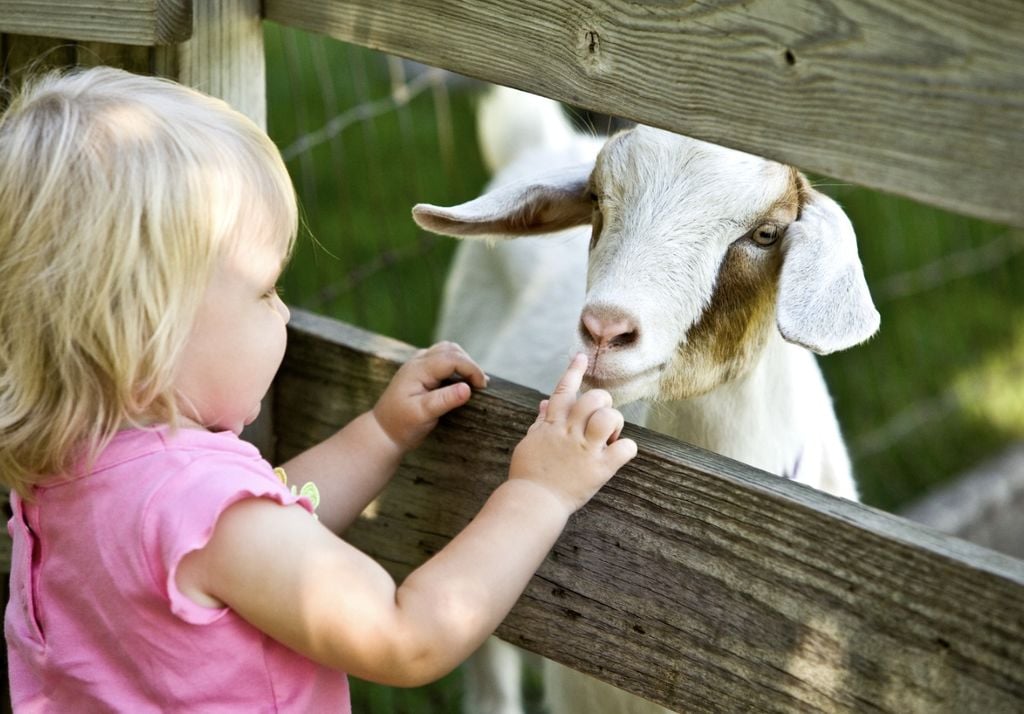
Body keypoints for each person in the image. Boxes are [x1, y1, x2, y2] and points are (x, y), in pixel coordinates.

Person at [0, 67, 637, 711]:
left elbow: (273, 524)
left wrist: (380, 435)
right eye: (265, 289)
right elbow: (406, 635)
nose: (282, 313)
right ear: (146, 330)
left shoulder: (73, 476)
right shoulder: (208, 517)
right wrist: (538, 492)